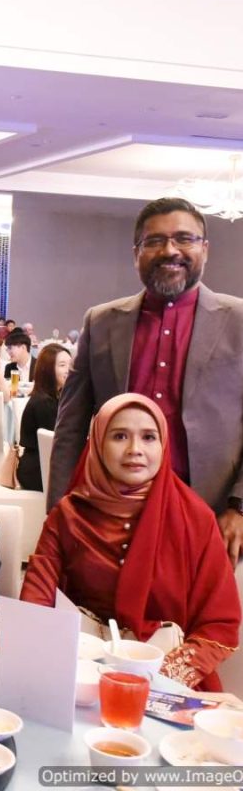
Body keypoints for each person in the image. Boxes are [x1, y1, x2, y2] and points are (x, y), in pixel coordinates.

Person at [49, 197, 243, 561]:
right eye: (155, 241)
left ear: (205, 248)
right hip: (114, 517)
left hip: (210, 516)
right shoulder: (102, 322)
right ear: (136, 252)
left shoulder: (238, 322)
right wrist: (59, 514)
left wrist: (240, 507)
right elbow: (70, 428)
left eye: (184, 238)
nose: (170, 250)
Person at [22, 394, 239, 690]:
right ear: (98, 443)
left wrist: (157, 679)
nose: (135, 449)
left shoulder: (195, 520)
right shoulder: (69, 515)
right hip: (81, 670)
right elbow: (36, 601)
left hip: (166, 679)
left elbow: (219, 624)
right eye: (119, 436)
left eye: (149, 437)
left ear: (164, 445)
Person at [16, 344, 71, 491]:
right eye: (62, 365)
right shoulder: (44, 403)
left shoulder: (54, 398)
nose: (69, 369)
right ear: (48, 370)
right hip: (38, 470)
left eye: (70, 364)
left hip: (44, 465)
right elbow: (57, 444)